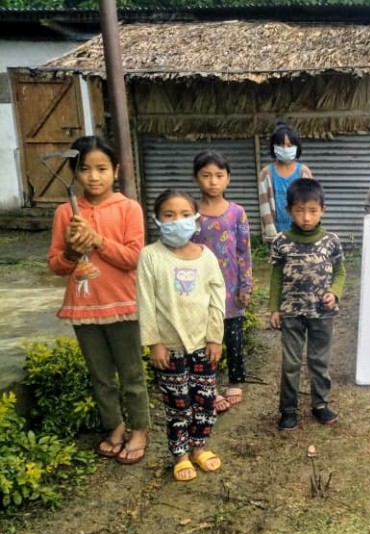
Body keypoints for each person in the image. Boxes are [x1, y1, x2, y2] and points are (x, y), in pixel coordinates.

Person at [47, 135, 151, 465]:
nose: (94, 176)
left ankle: (139, 429)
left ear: (115, 170)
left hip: (122, 304)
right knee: (101, 376)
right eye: (85, 169)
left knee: (131, 375)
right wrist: (72, 251)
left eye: (102, 168)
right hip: (84, 307)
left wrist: (98, 240)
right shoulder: (65, 213)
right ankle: (115, 425)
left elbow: (134, 258)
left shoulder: (128, 208)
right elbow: (56, 265)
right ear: (74, 173)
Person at [138, 189, 226, 481]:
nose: (178, 221)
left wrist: (215, 337)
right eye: (169, 215)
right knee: (178, 404)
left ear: (196, 218)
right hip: (170, 348)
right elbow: (146, 303)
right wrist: (154, 343)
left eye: (185, 215)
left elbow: (217, 299)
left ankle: (199, 447)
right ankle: (181, 454)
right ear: (157, 220)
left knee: (203, 400)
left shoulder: (207, 257)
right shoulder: (150, 257)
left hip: (203, 345)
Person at [269, 178, 346, 431]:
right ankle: (288, 409)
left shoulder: (331, 241)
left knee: (318, 360)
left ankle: (320, 404)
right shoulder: (281, 241)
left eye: (312, 210)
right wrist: (274, 308)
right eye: (300, 210)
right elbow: (276, 276)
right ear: (289, 210)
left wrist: (334, 293)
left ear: (323, 209)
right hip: (291, 312)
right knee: (291, 362)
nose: (306, 217)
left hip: (322, 313)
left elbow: (340, 273)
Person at [191, 150, 253, 413]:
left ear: (228, 179)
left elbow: (244, 250)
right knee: (205, 338)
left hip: (230, 286)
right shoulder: (191, 213)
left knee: (234, 336)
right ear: (197, 178)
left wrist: (245, 285)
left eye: (219, 175)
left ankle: (236, 379)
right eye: (206, 175)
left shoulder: (237, 213)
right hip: (200, 289)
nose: (213, 181)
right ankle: (209, 384)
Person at [259, 122, 313, 242]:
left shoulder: (304, 172)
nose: (285, 149)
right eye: (281, 145)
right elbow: (264, 205)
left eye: (289, 145)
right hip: (276, 233)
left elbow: (311, 202)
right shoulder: (266, 173)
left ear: (296, 147)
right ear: (274, 147)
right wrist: (271, 233)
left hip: (300, 232)